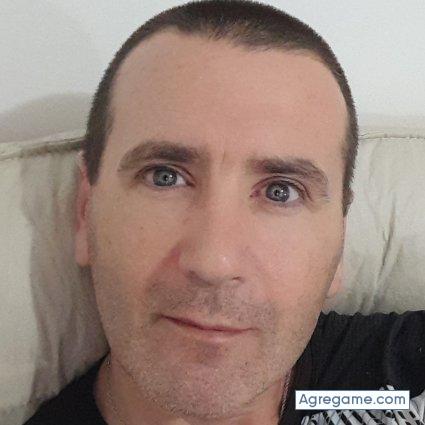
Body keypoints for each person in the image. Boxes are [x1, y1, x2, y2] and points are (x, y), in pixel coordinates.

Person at [24, 1, 425, 424]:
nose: (214, 263)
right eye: (164, 177)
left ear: (339, 242)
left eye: (281, 191)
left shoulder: (392, 381)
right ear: (86, 211)